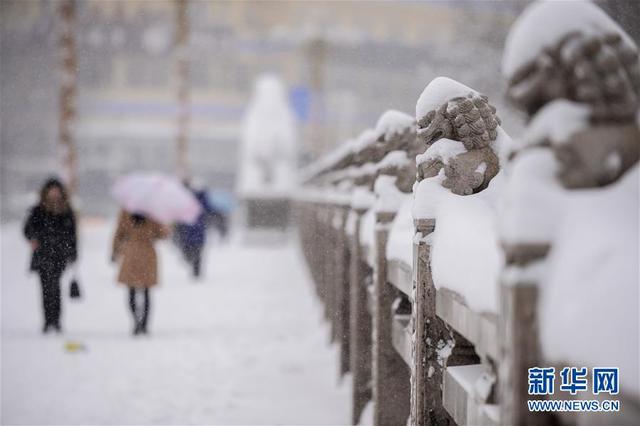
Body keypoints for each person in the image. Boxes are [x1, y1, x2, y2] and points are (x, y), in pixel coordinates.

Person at [24, 178, 77, 333]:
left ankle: (56, 320)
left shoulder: (66, 210)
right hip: (42, 254)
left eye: (56, 190)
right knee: (45, 288)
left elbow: (72, 235)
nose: (54, 193)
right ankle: (48, 321)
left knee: (55, 287)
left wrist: (72, 253)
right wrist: (33, 238)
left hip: (59, 255)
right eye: (51, 190)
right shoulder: (38, 210)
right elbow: (27, 229)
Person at [111, 210, 169, 335]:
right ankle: (144, 324)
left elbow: (119, 233)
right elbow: (163, 234)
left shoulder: (126, 212)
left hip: (131, 253)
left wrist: (114, 251)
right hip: (147, 253)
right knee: (147, 291)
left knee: (131, 290)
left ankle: (136, 321)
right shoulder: (152, 212)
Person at [175, 182, 226, 278]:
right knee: (198, 252)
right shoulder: (203, 200)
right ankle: (196, 270)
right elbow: (210, 212)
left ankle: (193, 266)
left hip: (188, 231)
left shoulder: (187, 198)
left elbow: (180, 214)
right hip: (199, 231)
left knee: (189, 250)